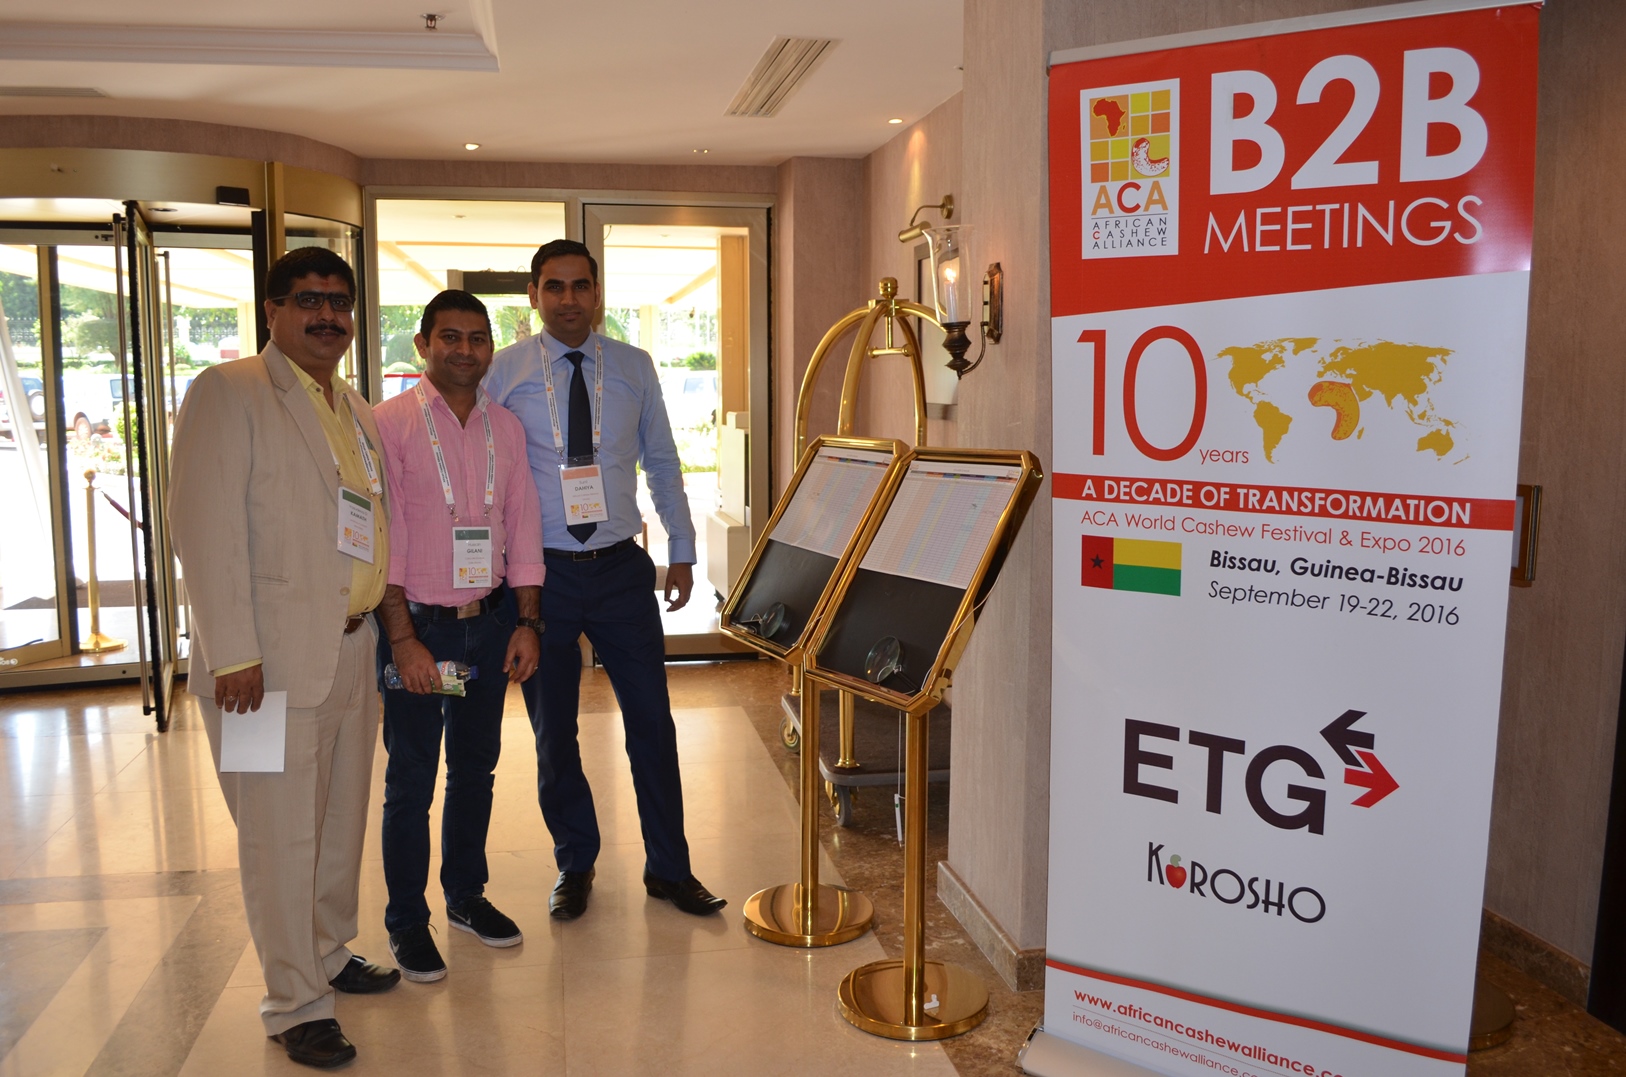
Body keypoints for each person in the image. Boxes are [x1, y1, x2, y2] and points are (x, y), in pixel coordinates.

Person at [169, 246, 398, 1070]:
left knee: (337, 822)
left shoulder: (354, 405)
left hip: (349, 650)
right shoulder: (228, 392)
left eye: (339, 301)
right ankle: (295, 1002)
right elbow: (202, 527)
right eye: (308, 299)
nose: (327, 315)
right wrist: (233, 652)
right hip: (258, 674)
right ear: (272, 310)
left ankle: (329, 951)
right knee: (276, 836)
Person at [484, 238, 725, 920]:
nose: (568, 299)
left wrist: (682, 549)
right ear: (534, 294)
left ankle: (669, 868)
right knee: (554, 732)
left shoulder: (632, 366)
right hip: (541, 579)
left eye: (580, 286)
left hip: (621, 570)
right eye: (554, 286)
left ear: (597, 293)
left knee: (652, 722)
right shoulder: (503, 372)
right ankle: (575, 861)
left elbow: (663, 461)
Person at [372, 290, 545, 982]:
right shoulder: (389, 423)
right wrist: (403, 639)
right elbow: (385, 536)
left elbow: (522, 524)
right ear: (422, 344)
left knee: (476, 771)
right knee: (411, 779)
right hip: (419, 628)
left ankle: (466, 896)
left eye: (477, 338)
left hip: (489, 625)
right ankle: (406, 921)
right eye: (450, 336)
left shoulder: (506, 427)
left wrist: (527, 622)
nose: (465, 350)